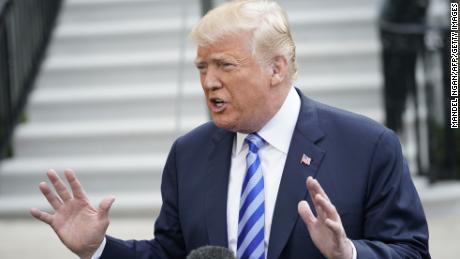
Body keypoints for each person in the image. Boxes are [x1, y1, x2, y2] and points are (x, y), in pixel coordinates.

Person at [30, 1, 430, 259]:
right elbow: (172, 253)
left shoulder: (368, 146)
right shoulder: (188, 153)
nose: (209, 82)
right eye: (202, 68)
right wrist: (98, 248)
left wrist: (350, 254)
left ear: (277, 69)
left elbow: (411, 252)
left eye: (225, 65)